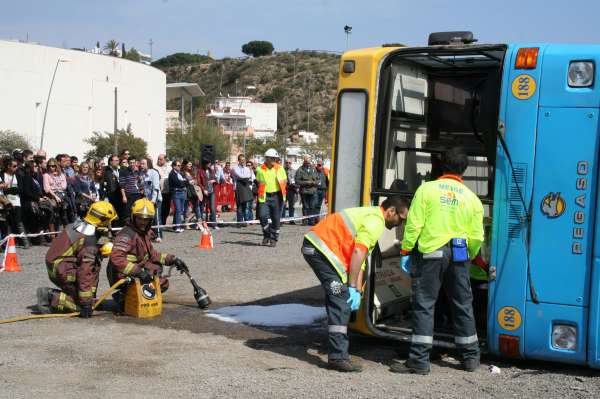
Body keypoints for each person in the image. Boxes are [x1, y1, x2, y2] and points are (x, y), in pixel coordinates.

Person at [391, 147, 484, 375]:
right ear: (464, 169)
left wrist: (405, 250)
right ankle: (470, 359)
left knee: (424, 305)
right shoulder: (472, 198)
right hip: (460, 254)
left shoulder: (427, 190)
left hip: (432, 253)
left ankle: (419, 361)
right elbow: (477, 236)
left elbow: (414, 224)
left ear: (442, 165)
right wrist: (469, 256)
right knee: (462, 305)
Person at [301, 198, 407, 372]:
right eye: (401, 219)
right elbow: (358, 252)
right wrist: (351, 286)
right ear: (391, 212)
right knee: (340, 297)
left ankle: (338, 350)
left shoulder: (373, 216)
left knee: (339, 296)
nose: (400, 224)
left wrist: (357, 289)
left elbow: (360, 260)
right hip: (319, 251)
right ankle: (337, 357)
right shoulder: (375, 222)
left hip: (320, 250)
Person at [36, 201, 117, 316]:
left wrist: (99, 249)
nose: (110, 225)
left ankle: (89, 298)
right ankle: (50, 297)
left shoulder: (78, 225)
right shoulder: (89, 241)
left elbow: (77, 249)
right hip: (62, 270)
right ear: (102, 221)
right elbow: (85, 272)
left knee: (94, 262)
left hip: (56, 265)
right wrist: (85, 304)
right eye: (109, 222)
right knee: (80, 305)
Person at [107, 198, 189, 308]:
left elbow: (152, 255)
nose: (143, 222)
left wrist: (173, 260)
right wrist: (139, 273)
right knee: (159, 283)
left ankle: (133, 295)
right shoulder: (126, 235)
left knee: (158, 273)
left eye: (146, 219)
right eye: (140, 218)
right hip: (123, 275)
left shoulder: (143, 233)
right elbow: (117, 259)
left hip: (136, 271)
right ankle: (124, 295)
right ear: (133, 217)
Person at [256, 149, 287, 247]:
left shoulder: (280, 168)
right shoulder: (260, 169)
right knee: (262, 216)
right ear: (267, 158)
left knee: (276, 219)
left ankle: (274, 238)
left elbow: (285, 181)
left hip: (277, 196)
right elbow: (258, 182)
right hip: (264, 197)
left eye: (275, 158)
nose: (274, 160)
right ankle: (267, 234)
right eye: (272, 158)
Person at [1, 157, 30, 248]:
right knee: (6, 223)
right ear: (8, 166)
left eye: (16, 166)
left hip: (16, 201)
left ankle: (25, 242)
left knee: (18, 221)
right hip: (4, 201)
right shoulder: (2, 175)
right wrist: (10, 190)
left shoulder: (18, 175)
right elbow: (3, 190)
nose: (16, 168)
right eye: (14, 166)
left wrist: (9, 189)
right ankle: (8, 243)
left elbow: (20, 189)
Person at [140, 157, 163, 241]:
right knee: (148, 218)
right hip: (147, 199)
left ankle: (159, 235)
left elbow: (156, 188)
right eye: (141, 163)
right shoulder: (142, 174)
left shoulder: (154, 173)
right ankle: (150, 234)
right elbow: (143, 186)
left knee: (156, 217)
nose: (141, 165)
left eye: (143, 164)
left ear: (148, 164)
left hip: (155, 199)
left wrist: (153, 200)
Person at [295, 155, 319, 226]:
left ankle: (311, 221)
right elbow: (297, 181)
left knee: (312, 206)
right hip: (304, 191)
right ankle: (305, 221)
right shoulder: (300, 170)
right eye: (307, 162)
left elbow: (318, 180)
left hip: (313, 191)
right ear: (304, 162)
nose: (308, 164)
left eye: (309, 162)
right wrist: (306, 182)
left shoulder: (314, 169)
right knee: (305, 207)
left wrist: (315, 182)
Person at [232, 154, 254, 225]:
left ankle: (244, 221)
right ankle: (239, 222)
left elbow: (248, 176)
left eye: (244, 160)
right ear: (238, 161)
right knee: (239, 205)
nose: (243, 162)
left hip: (245, 186)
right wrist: (243, 178)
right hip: (238, 187)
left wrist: (243, 178)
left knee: (245, 205)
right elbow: (239, 176)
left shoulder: (247, 169)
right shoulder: (235, 168)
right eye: (241, 160)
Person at [119, 157, 143, 221]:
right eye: (130, 163)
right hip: (129, 194)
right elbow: (122, 185)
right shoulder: (123, 172)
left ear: (136, 163)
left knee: (137, 212)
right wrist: (124, 196)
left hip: (138, 194)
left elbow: (140, 183)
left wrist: (141, 190)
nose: (132, 164)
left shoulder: (138, 171)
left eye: (133, 162)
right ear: (128, 163)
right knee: (128, 213)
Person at [198, 159, 219, 229]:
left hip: (211, 191)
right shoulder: (200, 171)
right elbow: (199, 182)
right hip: (204, 192)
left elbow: (216, 179)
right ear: (205, 164)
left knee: (213, 208)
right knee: (202, 208)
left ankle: (214, 224)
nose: (209, 165)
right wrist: (203, 190)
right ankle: (201, 224)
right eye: (208, 164)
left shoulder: (211, 170)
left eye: (210, 163)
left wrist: (214, 180)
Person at [182, 159, 203, 229]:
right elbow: (183, 182)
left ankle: (199, 223)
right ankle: (186, 223)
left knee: (197, 207)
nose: (190, 165)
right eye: (189, 164)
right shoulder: (182, 173)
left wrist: (194, 181)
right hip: (186, 192)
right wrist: (188, 182)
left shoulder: (192, 172)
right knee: (187, 208)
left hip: (193, 191)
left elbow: (196, 181)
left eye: (191, 164)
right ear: (185, 165)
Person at [168, 160, 187, 233]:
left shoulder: (180, 173)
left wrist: (185, 182)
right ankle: (177, 227)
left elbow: (185, 181)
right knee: (178, 209)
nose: (180, 167)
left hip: (182, 192)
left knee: (180, 210)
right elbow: (179, 183)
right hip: (176, 193)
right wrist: (185, 182)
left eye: (180, 165)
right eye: (178, 165)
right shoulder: (172, 174)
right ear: (174, 166)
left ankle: (175, 226)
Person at [103, 155, 123, 226]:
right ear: (111, 162)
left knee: (120, 215)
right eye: (116, 161)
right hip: (111, 197)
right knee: (113, 216)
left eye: (118, 160)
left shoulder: (120, 170)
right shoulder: (106, 171)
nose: (118, 162)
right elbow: (105, 184)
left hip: (120, 196)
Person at [155, 154, 171, 226]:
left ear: (165, 159)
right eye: (158, 159)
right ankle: (160, 223)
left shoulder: (169, 167)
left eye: (160, 159)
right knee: (160, 208)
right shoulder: (155, 167)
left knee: (167, 208)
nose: (159, 160)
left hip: (168, 191)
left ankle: (163, 222)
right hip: (159, 192)